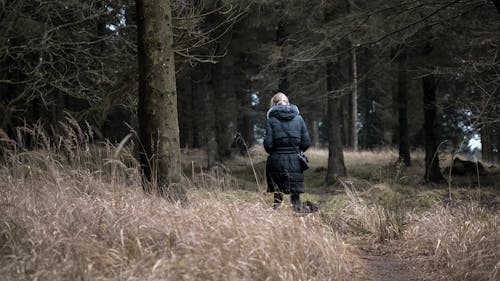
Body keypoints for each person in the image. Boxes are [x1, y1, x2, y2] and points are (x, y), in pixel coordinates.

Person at [264, 92, 311, 211]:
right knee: (295, 198)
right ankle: (298, 221)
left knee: (277, 196)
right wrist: (296, 150)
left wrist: (277, 151)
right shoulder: (299, 119)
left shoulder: (271, 120)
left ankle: (275, 221)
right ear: (288, 103)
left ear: (273, 105)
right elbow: (306, 143)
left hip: (277, 161)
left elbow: (268, 146)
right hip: (295, 161)